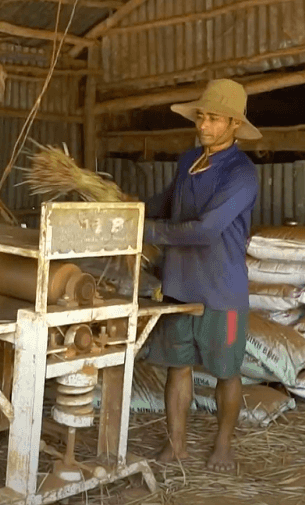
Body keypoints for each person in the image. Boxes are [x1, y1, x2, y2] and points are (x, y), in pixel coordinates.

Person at [142, 79, 260, 473]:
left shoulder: (241, 174)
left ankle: (223, 446)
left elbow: (207, 230)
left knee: (227, 372)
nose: (203, 126)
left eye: (213, 119)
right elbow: (167, 202)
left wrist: (151, 233)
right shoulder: (188, 160)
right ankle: (176, 446)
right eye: (201, 117)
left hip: (221, 288)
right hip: (179, 283)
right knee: (178, 366)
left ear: (234, 125)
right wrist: (129, 211)